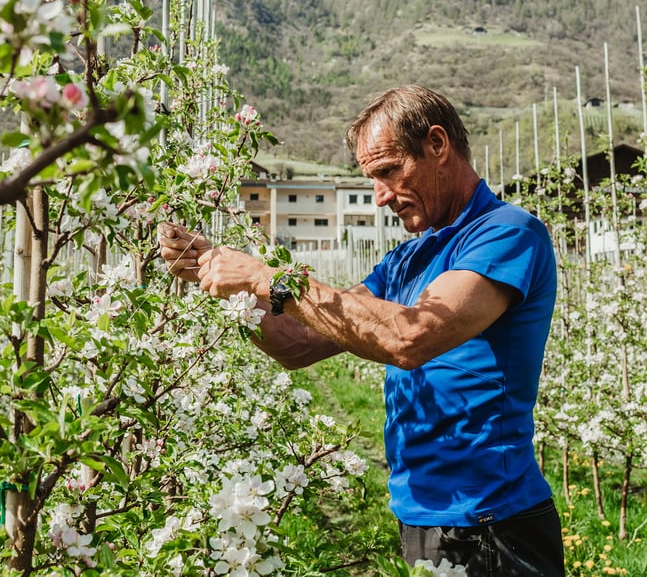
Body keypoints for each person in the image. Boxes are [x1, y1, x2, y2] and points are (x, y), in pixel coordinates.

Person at [158, 84, 564, 575]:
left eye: (389, 172)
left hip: (492, 522)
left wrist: (267, 277)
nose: (381, 197)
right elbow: (299, 342)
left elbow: (410, 338)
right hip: (423, 515)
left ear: (437, 145)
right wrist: (232, 290)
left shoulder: (506, 233)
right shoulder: (407, 259)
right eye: (372, 179)